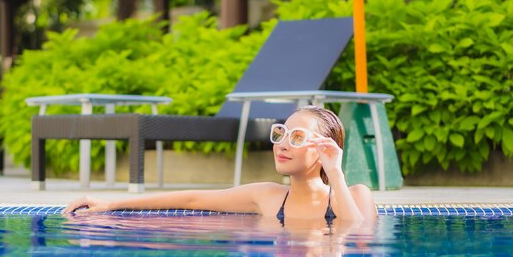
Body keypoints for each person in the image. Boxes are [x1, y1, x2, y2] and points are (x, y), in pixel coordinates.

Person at [63, 106, 377, 222]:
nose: (281, 143)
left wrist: (335, 173)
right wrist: (110, 205)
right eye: (280, 133)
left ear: (324, 149)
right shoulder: (267, 197)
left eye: (296, 137)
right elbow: (191, 200)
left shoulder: (357, 196)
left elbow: (359, 238)